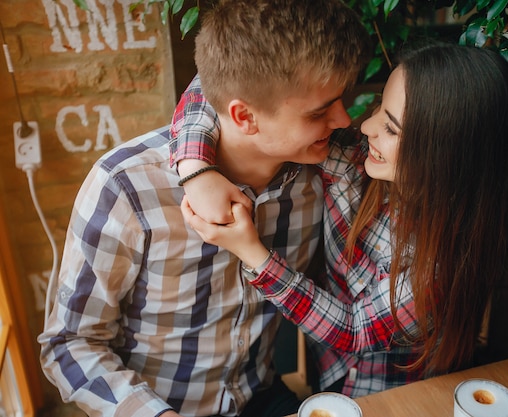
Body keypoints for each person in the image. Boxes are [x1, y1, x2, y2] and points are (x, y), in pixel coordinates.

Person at [37, 1, 370, 416]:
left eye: (343, 99)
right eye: (319, 111)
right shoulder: (126, 188)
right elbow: (68, 344)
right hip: (155, 406)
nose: (343, 119)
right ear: (243, 116)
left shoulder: (321, 174)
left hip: (260, 396)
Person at [172, 41, 508, 398]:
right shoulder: (354, 166)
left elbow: (354, 331)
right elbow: (223, 83)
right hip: (323, 371)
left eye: (390, 128)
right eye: (378, 107)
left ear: (445, 155)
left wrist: (252, 252)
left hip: (401, 394)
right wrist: (196, 169)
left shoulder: (442, 263)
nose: (366, 126)